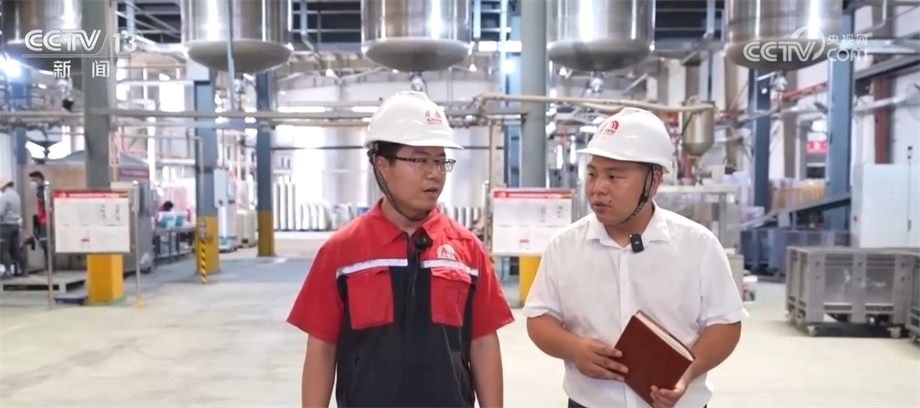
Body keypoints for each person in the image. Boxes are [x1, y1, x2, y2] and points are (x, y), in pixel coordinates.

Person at [287, 91, 514, 408]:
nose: (434, 173)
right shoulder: (341, 252)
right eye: (420, 160)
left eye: (440, 161)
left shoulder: (467, 251)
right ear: (382, 165)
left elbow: (482, 343)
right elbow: (322, 348)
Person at [523, 108, 747, 408]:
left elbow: (725, 324)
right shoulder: (564, 247)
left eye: (614, 176)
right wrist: (573, 348)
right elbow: (540, 318)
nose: (598, 188)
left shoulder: (698, 246)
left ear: (653, 182)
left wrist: (686, 371)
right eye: (592, 174)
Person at [0, 177, 23, 277]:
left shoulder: (4, 196)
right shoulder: (16, 195)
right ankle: (24, 270)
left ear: (4, 186)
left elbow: (1, 212)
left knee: (4, 249)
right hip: (15, 225)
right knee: (16, 249)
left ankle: (8, 271)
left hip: (5, 225)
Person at [28, 170, 49, 265]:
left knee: (46, 244)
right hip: (42, 220)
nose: (32, 183)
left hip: (46, 221)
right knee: (44, 244)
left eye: (34, 180)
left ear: (40, 180)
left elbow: (46, 205)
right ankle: (48, 267)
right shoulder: (40, 191)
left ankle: (50, 267)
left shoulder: (42, 191)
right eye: (31, 180)